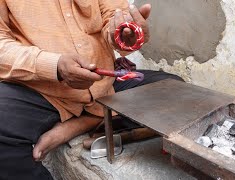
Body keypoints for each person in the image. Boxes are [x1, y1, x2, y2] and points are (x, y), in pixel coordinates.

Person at [0, 1, 183, 179]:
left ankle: (82, 123)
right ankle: (100, 116)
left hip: (105, 85)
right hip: (43, 91)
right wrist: (54, 65)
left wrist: (123, 33)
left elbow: (113, 18)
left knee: (176, 90)